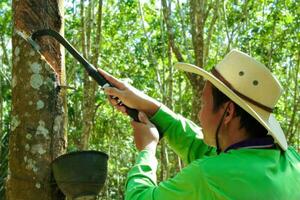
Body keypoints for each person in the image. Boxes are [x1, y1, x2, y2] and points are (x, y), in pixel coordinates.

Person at [99, 49, 300, 199]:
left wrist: (147, 149)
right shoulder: (291, 160)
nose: (199, 113)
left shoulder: (208, 176)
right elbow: (199, 145)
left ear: (228, 112)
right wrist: (147, 106)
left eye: (203, 103)